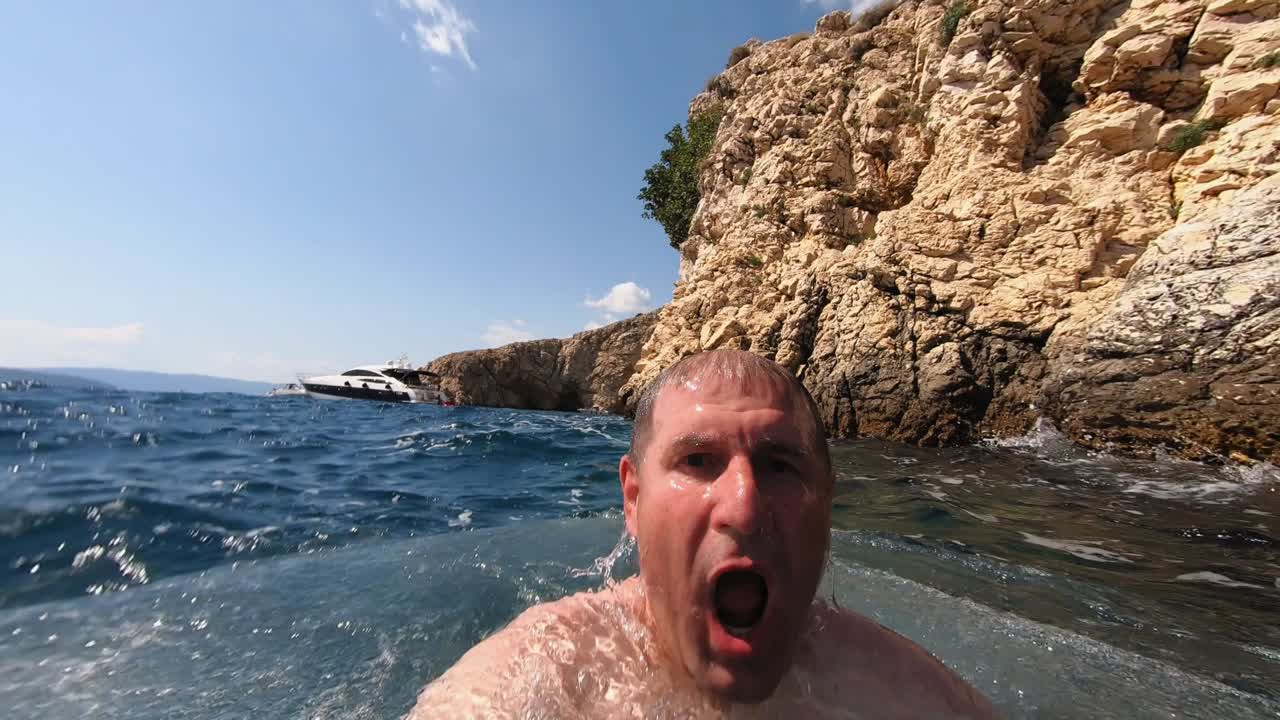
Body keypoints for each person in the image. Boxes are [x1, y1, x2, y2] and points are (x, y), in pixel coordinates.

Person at [409, 350, 998, 718]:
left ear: (829, 500)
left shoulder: (907, 695)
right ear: (633, 499)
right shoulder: (536, 681)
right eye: (697, 461)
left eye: (780, 466)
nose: (744, 508)